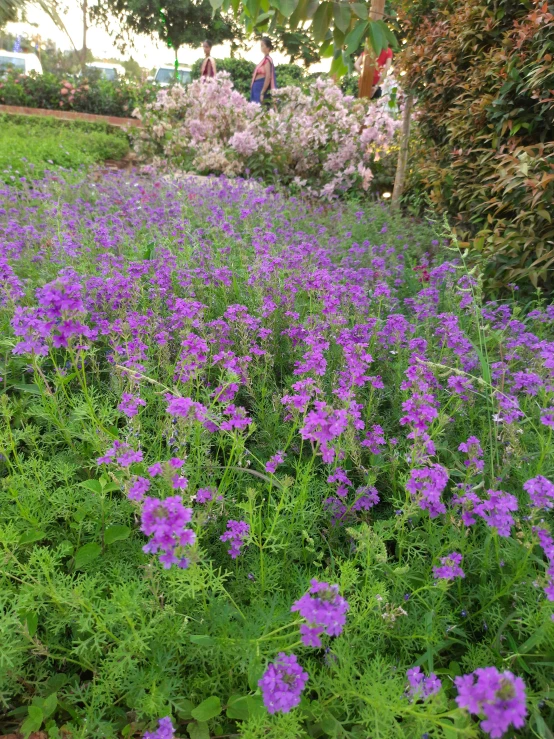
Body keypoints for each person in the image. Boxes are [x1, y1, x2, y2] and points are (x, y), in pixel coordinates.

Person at [250, 37, 276, 105]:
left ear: (267, 48)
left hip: (260, 87)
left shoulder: (267, 61)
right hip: (256, 87)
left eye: (262, 45)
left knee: (259, 109)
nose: (261, 47)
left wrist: (262, 92)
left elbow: (268, 77)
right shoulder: (263, 60)